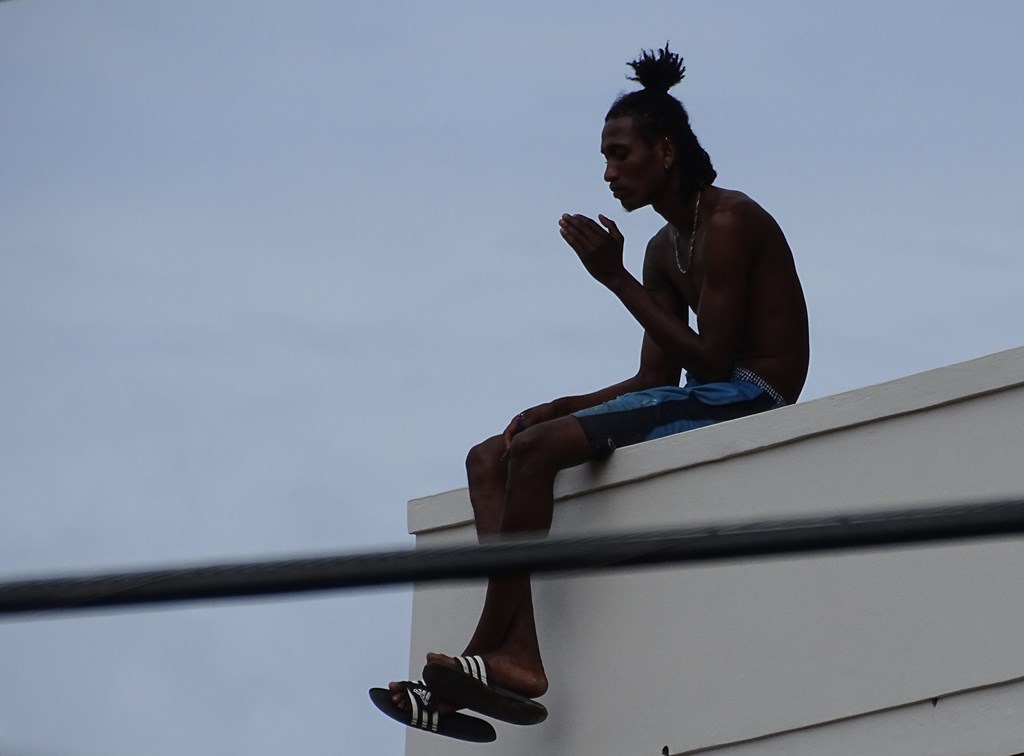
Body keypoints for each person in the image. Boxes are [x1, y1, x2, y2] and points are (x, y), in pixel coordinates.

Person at [370, 43, 810, 742]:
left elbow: (717, 361)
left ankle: (481, 658)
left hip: (750, 394)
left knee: (538, 453)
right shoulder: (665, 248)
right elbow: (654, 381)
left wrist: (613, 278)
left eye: (620, 154)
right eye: (604, 157)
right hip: (702, 393)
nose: (607, 174)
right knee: (494, 454)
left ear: (665, 152)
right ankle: (517, 655)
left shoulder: (728, 221)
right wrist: (562, 405)